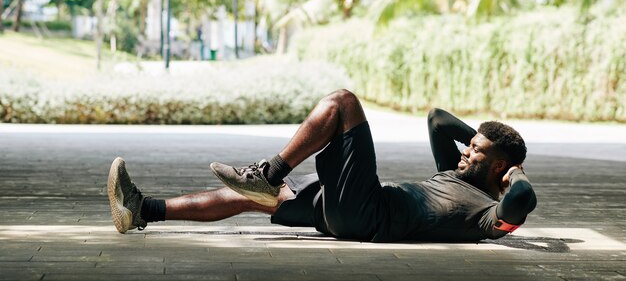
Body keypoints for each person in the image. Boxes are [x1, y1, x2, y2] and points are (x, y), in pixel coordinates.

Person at [107, 89, 536, 242]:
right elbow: (438, 119)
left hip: (366, 213)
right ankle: (141, 210)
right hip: (349, 208)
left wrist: (511, 168)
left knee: (343, 103)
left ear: (499, 168)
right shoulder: (457, 172)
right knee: (248, 199)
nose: (464, 151)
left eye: (475, 151)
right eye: (469, 145)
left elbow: (522, 198)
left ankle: (269, 173)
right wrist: (483, 141)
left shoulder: (487, 213)